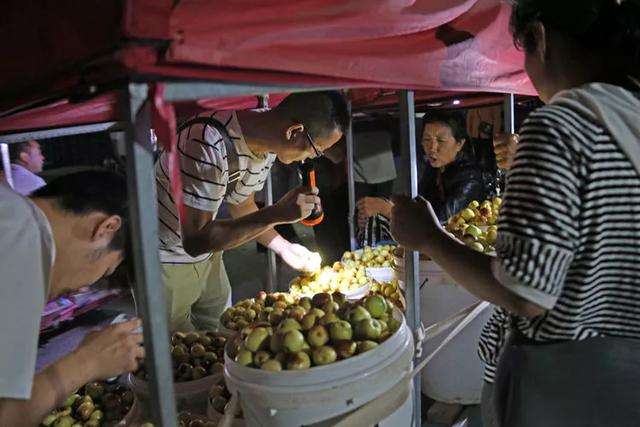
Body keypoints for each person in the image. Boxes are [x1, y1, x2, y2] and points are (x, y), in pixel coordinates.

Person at [391, 0, 640, 425]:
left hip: (566, 391)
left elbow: (527, 293)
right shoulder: (628, 118)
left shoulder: (560, 125)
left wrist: (428, 236)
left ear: (540, 39)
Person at [156, 91, 349, 331]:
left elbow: (243, 206)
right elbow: (195, 241)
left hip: (211, 256)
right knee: (176, 352)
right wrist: (277, 213)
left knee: (219, 336)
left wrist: (284, 247)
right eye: (316, 149)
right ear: (293, 132)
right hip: (165, 259)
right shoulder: (205, 141)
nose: (313, 157)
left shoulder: (265, 143)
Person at [0, 170, 143, 426]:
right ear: (106, 228)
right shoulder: (25, 241)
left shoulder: (10, 211)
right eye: (106, 270)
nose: (82, 288)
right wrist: (88, 361)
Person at [357, 111, 486, 231]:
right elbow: (418, 204)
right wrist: (378, 212)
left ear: (460, 144)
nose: (432, 148)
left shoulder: (470, 178)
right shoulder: (435, 168)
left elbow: (441, 223)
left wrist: (388, 210)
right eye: (427, 139)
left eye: (441, 140)